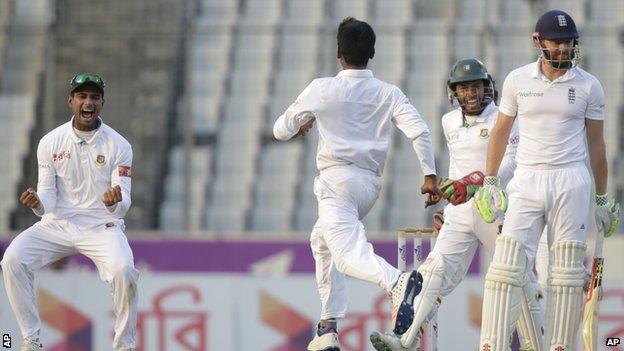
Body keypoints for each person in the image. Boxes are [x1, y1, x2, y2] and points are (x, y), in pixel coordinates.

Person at [273, 17, 441, 351]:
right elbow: (419, 131)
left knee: (347, 255)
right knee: (321, 240)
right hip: (369, 187)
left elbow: (281, 130)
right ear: (372, 53)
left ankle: (399, 282)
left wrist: (303, 119)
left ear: (339, 53)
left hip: (336, 183)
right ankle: (327, 327)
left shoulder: (322, 88)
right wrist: (429, 175)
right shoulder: (388, 93)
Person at [369, 59, 544, 351]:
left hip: (495, 207)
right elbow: (457, 162)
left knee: (517, 274)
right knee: (435, 270)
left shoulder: (503, 117)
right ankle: (406, 340)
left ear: (488, 88)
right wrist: (447, 197)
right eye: (464, 89)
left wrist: (475, 182)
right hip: (461, 211)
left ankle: (534, 344)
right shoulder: (449, 121)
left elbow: (512, 162)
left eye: (476, 87)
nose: (471, 94)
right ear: (454, 92)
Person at [475, 10, 620, 350]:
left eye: (568, 42)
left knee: (567, 274)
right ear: (537, 41)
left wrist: (601, 198)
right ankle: (491, 345)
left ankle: (557, 346)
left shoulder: (588, 85)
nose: (563, 49)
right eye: (556, 43)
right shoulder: (517, 80)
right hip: (527, 179)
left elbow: (597, 144)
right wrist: (491, 181)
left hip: (571, 180)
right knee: (505, 267)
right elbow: (500, 132)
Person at [1, 73, 139, 351]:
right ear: (71, 101)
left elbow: (124, 204)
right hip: (58, 224)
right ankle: (31, 340)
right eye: (82, 96)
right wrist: (38, 203)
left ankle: (125, 346)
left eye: (95, 97)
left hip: (102, 226)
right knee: (12, 260)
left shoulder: (119, 145)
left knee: (124, 270)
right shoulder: (50, 142)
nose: (88, 102)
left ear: (102, 103)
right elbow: (48, 200)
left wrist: (113, 203)